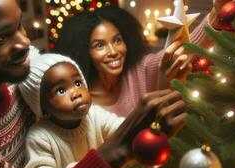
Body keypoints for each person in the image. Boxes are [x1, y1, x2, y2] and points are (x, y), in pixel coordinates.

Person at [0, 0, 186, 168]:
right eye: (1, 38)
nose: (25, 42)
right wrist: (118, 148)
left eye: (19, 26)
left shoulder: (22, 77)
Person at [19, 53, 126, 168]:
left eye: (77, 83)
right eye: (61, 90)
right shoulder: (40, 136)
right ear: (42, 107)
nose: (76, 93)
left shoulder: (94, 114)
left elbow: (121, 128)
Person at [55, 6, 188, 117]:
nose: (113, 52)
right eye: (99, 45)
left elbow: (182, 47)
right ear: (85, 52)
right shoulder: (82, 101)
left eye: (117, 40)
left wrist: (209, 22)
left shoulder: (140, 69)